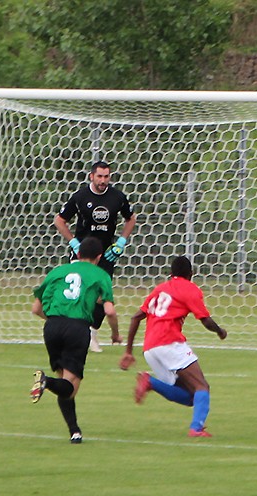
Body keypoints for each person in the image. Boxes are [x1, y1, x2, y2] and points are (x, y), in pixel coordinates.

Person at [119, 255, 227, 438]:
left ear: (171, 273)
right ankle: (196, 429)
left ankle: (150, 382)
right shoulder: (190, 289)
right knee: (202, 387)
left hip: (150, 350)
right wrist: (220, 331)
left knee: (190, 396)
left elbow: (136, 317)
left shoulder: (160, 289)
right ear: (191, 274)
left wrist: (128, 351)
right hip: (169, 343)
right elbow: (206, 320)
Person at [30, 237, 122, 444]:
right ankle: (46, 381)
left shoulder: (57, 272)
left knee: (65, 382)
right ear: (99, 257)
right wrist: (115, 334)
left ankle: (75, 432)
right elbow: (110, 311)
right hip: (77, 328)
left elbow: (36, 309)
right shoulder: (101, 275)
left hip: (52, 326)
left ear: (78, 254)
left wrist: (55, 320)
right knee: (70, 386)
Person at [53, 160, 136, 352]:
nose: (103, 180)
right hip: (81, 252)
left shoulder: (117, 197)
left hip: (106, 253)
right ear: (92, 176)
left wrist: (121, 242)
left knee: (102, 294)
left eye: (106, 176)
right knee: (77, 291)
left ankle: (91, 332)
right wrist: (73, 242)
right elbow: (60, 220)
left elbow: (131, 218)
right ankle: (68, 332)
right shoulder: (81, 196)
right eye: (99, 176)